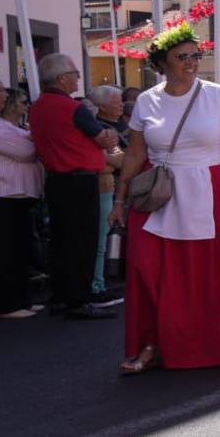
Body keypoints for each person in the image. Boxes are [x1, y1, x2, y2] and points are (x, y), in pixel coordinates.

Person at [111, 23, 220, 372]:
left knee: (205, 273)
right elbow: (136, 154)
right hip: (157, 192)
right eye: (181, 57)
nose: (191, 63)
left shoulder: (218, 96)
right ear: (162, 63)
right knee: (146, 269)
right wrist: (120, 200)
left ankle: (203, 345)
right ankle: (150, 342)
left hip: (210, 188)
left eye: (195, 56)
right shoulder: (146, 101)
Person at [28, 54, 119, 320]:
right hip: (80, 180)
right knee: (82, 243)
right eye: (75, 73)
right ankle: (78, 300)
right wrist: (110, 136)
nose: (78, 78)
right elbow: (103, 138)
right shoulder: (72, 108)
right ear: (62, 78)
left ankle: (61, 298)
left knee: (60, 242)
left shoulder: (37, 106)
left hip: (55, 179)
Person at [0, 88, 43, 319]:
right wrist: (34, 141)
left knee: (21, 250)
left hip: (21, 195)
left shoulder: (14, 128)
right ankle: (7, 304)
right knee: (7, 252)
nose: (3, 96)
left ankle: (22, 298)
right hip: (4, 194)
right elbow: (26, 151)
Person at [89, 85, 128, 306]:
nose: (121, 104)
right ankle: (98, 284)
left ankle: (108, 276)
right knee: (105, 235)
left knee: (114, 234)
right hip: (107, 188)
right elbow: (118, 159)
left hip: (118, 183)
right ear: (102, 106)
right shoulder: (99, 129)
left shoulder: (122, 125)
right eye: (116, 101)